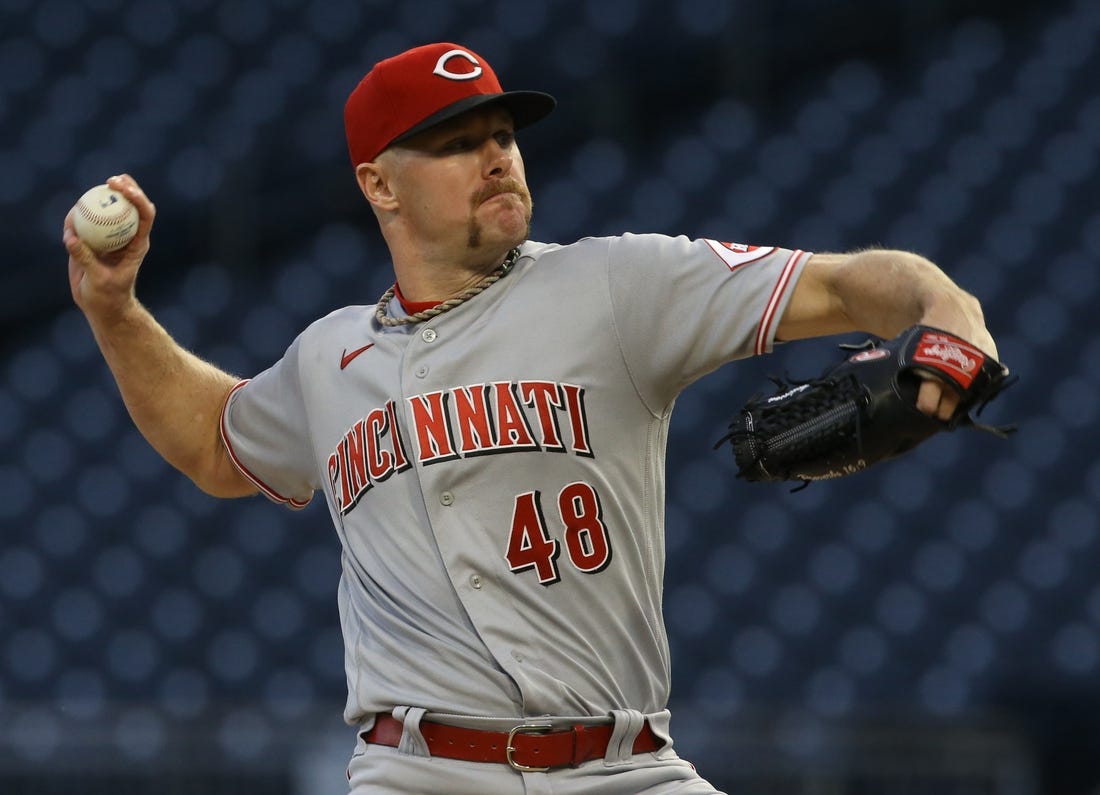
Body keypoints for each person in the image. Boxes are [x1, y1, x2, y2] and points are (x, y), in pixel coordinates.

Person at [63, 42, 998, 795]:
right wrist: (115, 310)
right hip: (416, 771)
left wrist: (949, 317)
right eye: (455, 140)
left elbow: (846, 282)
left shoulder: (617, 283)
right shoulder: (327, 357)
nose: (496, 154)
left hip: (626, 765)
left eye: (501, 129)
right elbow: (214, 443)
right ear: (378, 185)